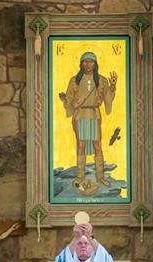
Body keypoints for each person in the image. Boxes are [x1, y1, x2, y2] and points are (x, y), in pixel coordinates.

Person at [59, 51, 118, 187]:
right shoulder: (74, 80)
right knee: (81, 145)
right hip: (80, 115)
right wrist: (64, 99)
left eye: (91, 61)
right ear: (81, 64)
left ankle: (100, 177)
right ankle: (80, 177)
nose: (88, 64)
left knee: (97, 145)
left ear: (95, 64)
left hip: (94, 114)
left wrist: (113, 86)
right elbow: (69, 99)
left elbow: (108, 97)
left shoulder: (102, 80)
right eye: (85, 61)